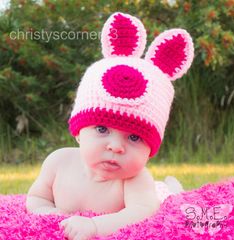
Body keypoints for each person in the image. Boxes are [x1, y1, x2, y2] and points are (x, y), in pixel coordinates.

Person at [26, 12, 194, 240]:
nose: (116, 146)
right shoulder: (59, 163)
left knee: (165, 196)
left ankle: (171, 186)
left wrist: (94, 226)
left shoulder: (135, 179)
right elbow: (37, 198)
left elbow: (141, 213)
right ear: (78, 132)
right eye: (102, 129)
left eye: (134, 137)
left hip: (151, 194)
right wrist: (52, 216)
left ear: (150, 150)